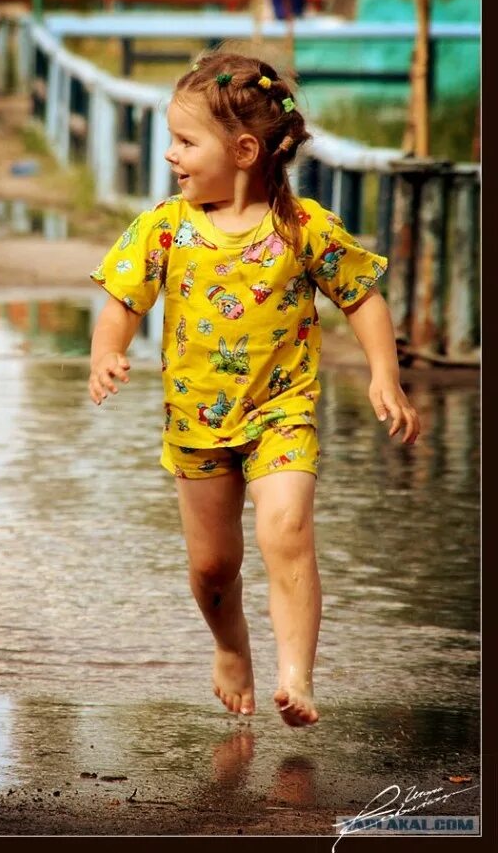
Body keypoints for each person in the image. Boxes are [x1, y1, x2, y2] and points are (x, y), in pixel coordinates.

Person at [88, 51, 420, 727]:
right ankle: (231, 646)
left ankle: (297, 674)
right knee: (214, 566)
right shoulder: (165, 227)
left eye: (185, 142)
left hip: (282, 414)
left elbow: (362, 297)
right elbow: (122, 299)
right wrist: (106, 353)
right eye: (171, 140)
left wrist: (385, 374)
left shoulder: (303, 228)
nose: (171, 156)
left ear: (244, 150)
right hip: (197, 423)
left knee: (287, 528)